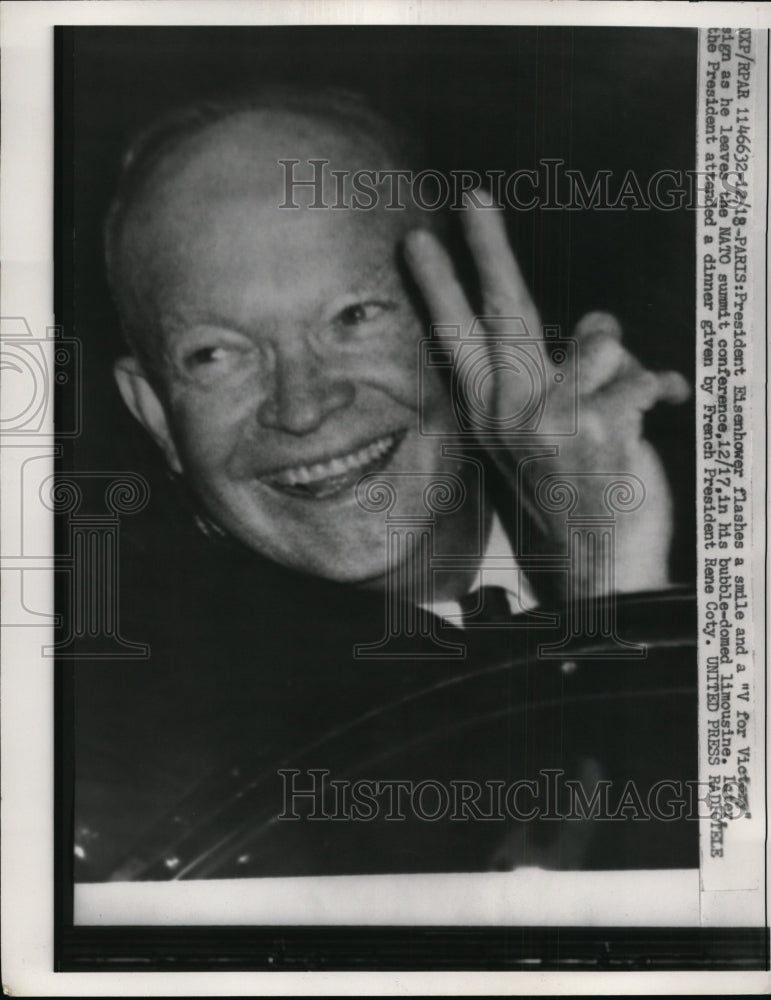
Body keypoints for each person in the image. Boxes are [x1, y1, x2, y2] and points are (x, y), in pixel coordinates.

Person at [73, 87, 697, 881]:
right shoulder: (135, 754)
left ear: (463, 325)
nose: (301, 406)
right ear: (156, 414)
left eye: (356, 315)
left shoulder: (734, 529)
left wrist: (620, 581)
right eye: (215, 354)